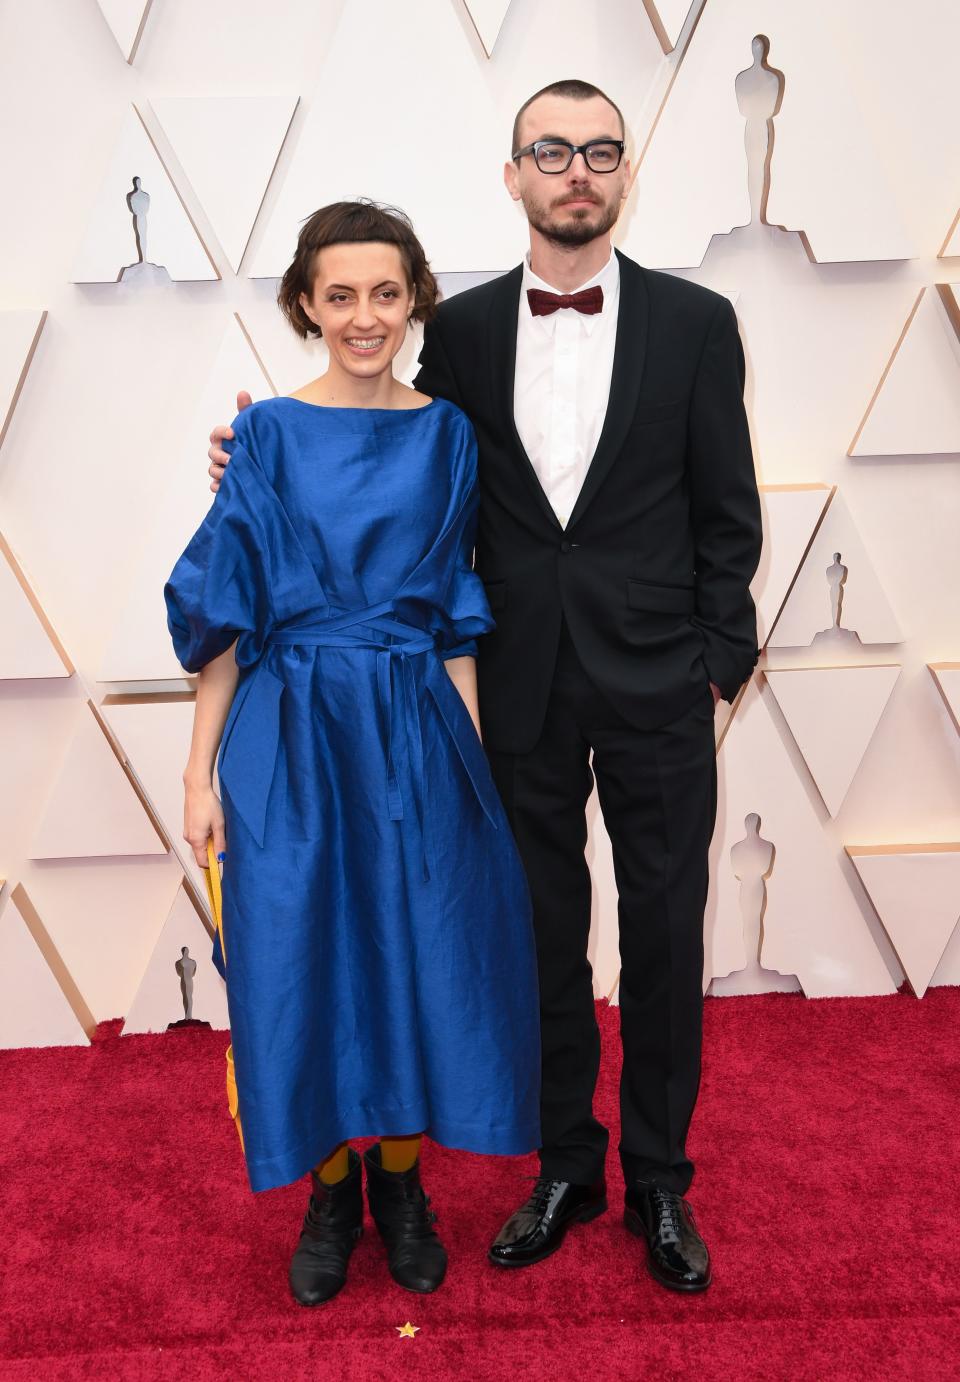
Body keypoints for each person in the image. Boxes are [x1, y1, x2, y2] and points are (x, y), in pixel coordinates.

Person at [208, 79, 762, 1295]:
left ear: (625, 172)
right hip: (508, 687)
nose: (577, 170)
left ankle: (660, 1181)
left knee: (667, 934)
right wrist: (248, 451)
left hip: (662, 680)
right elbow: (377, 451)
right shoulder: (455, 339)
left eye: (600, 150)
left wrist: (716, 669)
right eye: (550, 151)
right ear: (512, 174)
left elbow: (730, 512)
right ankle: (567, 1163)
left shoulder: (697, 322)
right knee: (539, 936)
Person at [168, 200, 540, 1308]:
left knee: (424, 952)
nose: (364, 315)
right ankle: (331, 1193)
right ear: (304, 305)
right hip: (288, 734)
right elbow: (228, 613)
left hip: (416, 727)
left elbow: (458, 616)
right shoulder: (268, 434)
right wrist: (197, 775)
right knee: (302, 962)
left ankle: (403, 1184)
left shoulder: (450, 436)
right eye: (340, 295)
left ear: (414, 297)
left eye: (385, 292)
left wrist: (468, 761)